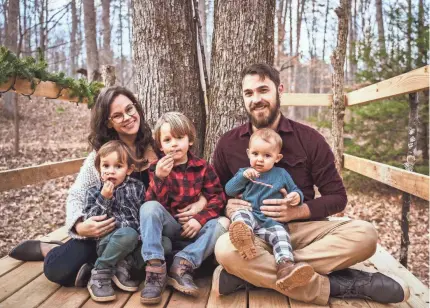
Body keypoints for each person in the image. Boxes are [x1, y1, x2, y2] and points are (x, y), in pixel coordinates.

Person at [211, 63, 410, 305]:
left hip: (305, 231)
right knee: (225, 249)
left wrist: (299, 210)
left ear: (279, 90)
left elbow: (337, 197)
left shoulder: (310, 139)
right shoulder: (228, 144)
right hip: (256, 232)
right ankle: (337, 284)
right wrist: (227, 207)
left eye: (263, 90)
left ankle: (254, 275)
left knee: (366, 235)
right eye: (249, 93)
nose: (256, 99)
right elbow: (214, 194)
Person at [8, 87, 208, 287]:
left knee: (192, 262)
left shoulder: (162, 146)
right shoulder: (102, 156)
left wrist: (202, 201)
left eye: (130, 109)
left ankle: (106, 268)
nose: (128, 117)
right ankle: (50, 250)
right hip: (114, 232)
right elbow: (76, 195)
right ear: (108, 122)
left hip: (152, 233)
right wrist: (80, 225)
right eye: (117, 115)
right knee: (58, 268)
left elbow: (193, 175)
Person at [139, 112, 228, 304]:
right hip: (170, 228)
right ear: (160, 146)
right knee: (148, 207)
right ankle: (155, 269)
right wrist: (160, 178)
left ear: (190, 140)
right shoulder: (157, 169)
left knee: (223, 223)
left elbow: (218, 197)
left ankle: (183, 263)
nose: (174, 144)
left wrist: (199, 218)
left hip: (195, 231)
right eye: (167, 140)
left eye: (179, 138)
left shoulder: (203, 167)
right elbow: (153, 207)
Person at [225, 128, 314, 290]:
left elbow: (296, 190)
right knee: (240, 214)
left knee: (281, 235)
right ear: (248, 153)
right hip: (251, 215)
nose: (260, 159)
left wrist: (296, 196)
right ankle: (244, 238)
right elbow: (229, 190)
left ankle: (285, 267)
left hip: (271, 223)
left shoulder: (281, 174)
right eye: (255, 154)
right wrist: (242, 177)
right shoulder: (245, 173)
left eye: (267, 156)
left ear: (277, 158)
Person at [83, 140, 144, 302]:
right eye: (106, 166)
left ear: (129, 169)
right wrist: (104, 198)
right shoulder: (93, 191)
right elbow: (91, 219)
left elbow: (143, 213)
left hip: (134, 245)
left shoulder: (137, 187)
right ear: (99, 168)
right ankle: (100, 272)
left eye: (118, 166)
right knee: (128, 234)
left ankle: (121, 269)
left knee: (163, 243)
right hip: (109, 243)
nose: (111, 171)